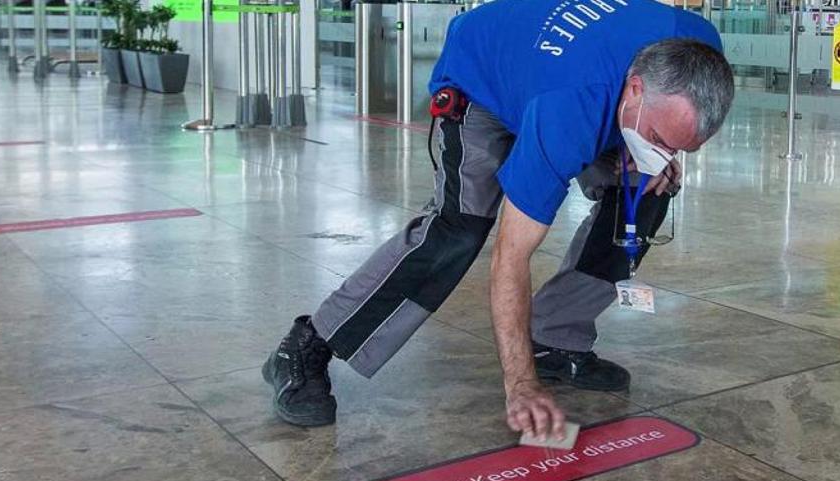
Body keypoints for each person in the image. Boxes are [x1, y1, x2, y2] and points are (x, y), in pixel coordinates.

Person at [263, 0, 735, 439]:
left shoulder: (697, 47)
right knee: (459, 229)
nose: (665, 151)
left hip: (561, 72)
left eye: (680, 146)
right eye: (657, 137)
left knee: (649, 189)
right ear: (635, 89)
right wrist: (520, 384)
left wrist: (659, 153)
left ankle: (555, 336)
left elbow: (667, 127)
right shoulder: (566, 108)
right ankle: (306, 346)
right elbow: (511, 257)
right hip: (482, 81)